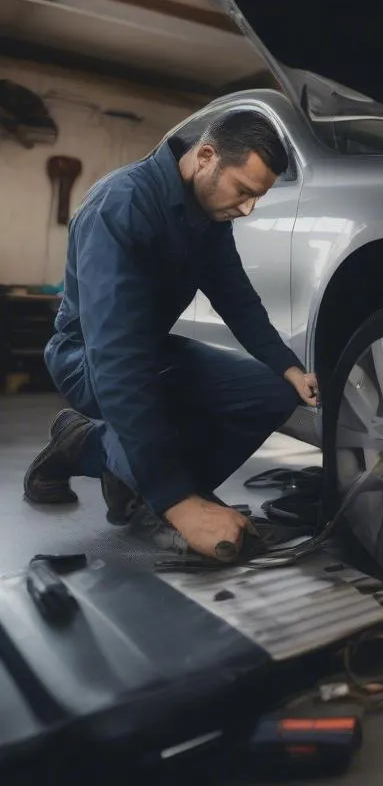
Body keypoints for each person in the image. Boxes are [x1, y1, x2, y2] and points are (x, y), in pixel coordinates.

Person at [23, 110, 319, 560]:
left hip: (147, 349)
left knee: (272, 393)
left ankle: (154, 490)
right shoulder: (120, 206)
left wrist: (288, 367)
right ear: (205, 156)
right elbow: (118, 362)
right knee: (146, 408)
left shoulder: (208, 217)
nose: (246, 208)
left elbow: (238, 300)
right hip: (87, 358)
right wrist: (177, 502)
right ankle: (89, 445)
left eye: (256, 198)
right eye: (243, 191)